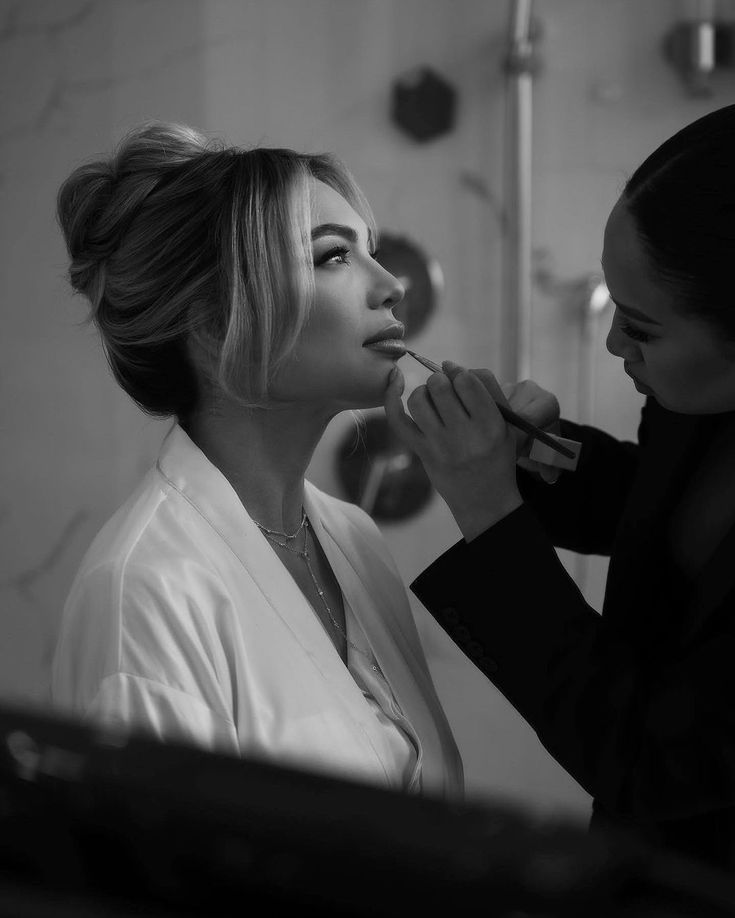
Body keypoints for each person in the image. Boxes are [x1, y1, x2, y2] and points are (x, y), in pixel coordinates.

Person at [51, 121, 463, 800]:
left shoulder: (354, 541)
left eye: (373, 252)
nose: (391, 285)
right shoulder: (147, 594)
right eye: (334, 256)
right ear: (215, 325)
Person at [384, 104, 735, 869]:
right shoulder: (697, 400)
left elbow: (648, 756)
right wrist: (533, 459)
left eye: (639, 329)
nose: (610, 343)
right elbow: (668, 508)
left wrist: (487, 509)